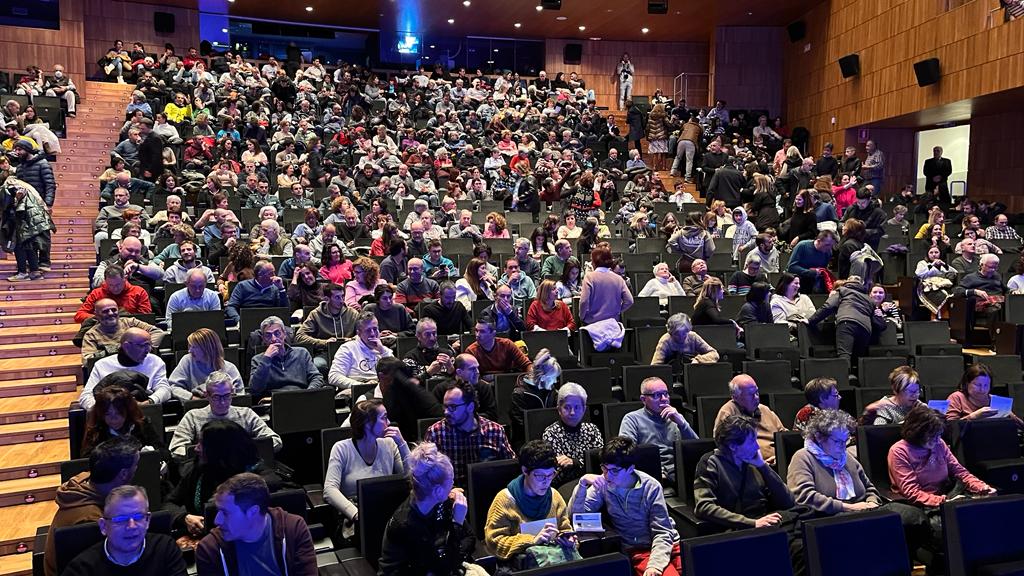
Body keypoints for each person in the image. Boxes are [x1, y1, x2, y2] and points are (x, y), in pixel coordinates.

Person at [694, 415, 803, 570]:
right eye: (752, 441)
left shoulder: (753, 463)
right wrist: (752, 523)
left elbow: (788, 502)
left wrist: (763, 466)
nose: (757, 447)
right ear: (733, 446)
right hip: (739, 530)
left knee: (805, 546)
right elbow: (704, 507)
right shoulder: (710, 463)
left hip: (768, 526)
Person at [569, 436, 683, 576]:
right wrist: (582, 484)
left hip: (668, 543)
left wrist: (655, 565)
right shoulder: (602, 484)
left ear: (630, 469)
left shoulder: (651, 487)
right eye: (604, 468)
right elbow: (577, 517)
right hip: (639, 549)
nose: (607, 475)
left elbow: (663, 532)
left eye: (614, 470)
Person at [378, 443, 483, 576]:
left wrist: (451, 554)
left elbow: (469, 538)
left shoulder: (442, 502)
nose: (453, 485)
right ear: (438, 491)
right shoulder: (406, 525)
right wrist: (457, 523)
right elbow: (442, 568)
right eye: (450, 481)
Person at [43, 436, 141, 576]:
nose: (137, 469)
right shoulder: (91, 520)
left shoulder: (84, 483)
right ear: (124, 474)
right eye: (136, 465)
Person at [196, 472, 317, 576]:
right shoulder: (209, 549)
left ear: (253, 512)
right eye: (218, 511)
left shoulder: (293, 529)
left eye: (225, 513)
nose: (217, 520)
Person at [324, 399, 410, 540]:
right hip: (355, 515)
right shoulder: (341, 448)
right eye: (384, 418)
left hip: (387, 511)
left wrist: (402, 444)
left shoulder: (389, 444)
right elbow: (329, 490)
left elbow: (410, 478)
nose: (388, 423)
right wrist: (357, 514)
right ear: (368, 423)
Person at [484, 440, 577, 563]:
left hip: (555, 561)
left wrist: (569, 540)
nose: (546, 481)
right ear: (525, 471)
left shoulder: (555, 496)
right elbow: (494, 542)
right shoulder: (505, 500)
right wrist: (532, 541)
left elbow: (565, 529)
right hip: (522, 565)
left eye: (551, 475)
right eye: (540, 476)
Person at [62, 485, 187, 576]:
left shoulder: (165, 549)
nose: (131, 526)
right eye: (121, 519)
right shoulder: (80, 570)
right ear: (103, 526)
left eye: (138, 517)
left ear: (148, 520)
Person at [888, 404, 995, 507]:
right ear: (917, 432)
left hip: (946, 496)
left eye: (939, 435)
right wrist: (944, 502)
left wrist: (982, 487)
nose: (937, 440)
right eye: (931, 435)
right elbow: (912, 492)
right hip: (920, 504)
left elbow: (960, 472)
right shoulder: (899, 451)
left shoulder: (939, 443)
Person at [787, 409, 885, 516]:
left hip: (862, 512)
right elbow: (804, 496)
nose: (843, 446)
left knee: (901, 512)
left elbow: (869, 488)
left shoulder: (847, 457)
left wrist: (872, 502)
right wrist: (848, 508)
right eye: (838, 441)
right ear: (819, 437)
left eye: (845, 440)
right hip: (829, 519)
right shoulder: (803, 457)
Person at [169, 371, 282, 457]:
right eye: (217, 397)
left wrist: (245, 449)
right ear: (207, 395)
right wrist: (208, 453)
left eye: (227, 396)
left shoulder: (246, 414)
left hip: (241, 468)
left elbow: (275, 440)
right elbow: (176, 449)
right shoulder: (193, 417)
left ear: (232, 393)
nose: (223, 402)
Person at [423, 380, 515, 486]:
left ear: (470, 407)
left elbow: (511, 467)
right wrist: (449, 491)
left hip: (488, 490)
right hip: (449, 493)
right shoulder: (436, 433)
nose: (446, 412)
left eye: (452, 407)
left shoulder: (494, 431)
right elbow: (426, 475)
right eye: (445, 406)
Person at [619, 377, 698, 483]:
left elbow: (696, 448)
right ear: (643, 399)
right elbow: (626, 452)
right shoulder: (632, 419)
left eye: (666, 393)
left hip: (680, 474)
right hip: (650, 475)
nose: (664, 398)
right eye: (657, 395)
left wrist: (682, 424)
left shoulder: (675, 418)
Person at [80, 328, 171, 411]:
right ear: (127, 346)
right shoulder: (102, 365)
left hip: (143, 411)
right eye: (143, 345)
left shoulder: (155, 361)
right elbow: (86, 396)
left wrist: (149, 402)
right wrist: (107, 409)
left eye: (149, 345)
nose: (148, 349)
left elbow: (164, 389)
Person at [713, 374, 788, 465]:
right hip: (751, 466)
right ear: (735, 396)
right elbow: (725, 448)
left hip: (778, 461)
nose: (756, 397)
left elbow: (784, 435)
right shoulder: (728, 413)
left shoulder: (765, 410)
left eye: (756, 392)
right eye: (750, 394)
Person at [81, 384, 165, 459]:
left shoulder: (141, 424)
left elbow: (164, 452)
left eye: (118, 413)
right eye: (108, 414)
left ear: (128, 411)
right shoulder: (96, 430)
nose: (113, 419)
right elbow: (85, 461)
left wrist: (153, 455)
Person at [249, 316, 324, 399]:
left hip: (302, 398)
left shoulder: (302, 353)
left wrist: (308, 393)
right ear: (263, 339)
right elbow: (254, 389)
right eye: (268, 335)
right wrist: (267, 359)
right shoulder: (258, 360)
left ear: (284, 334)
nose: (273, 339)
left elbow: (317, 377)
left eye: (277, 333)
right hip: (275, 402)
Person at [294, 283, 358, 373]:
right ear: (327, 299)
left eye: (343, 296)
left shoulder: (352, 313)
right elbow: (299, 337)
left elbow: (363, 334)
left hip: (350, 351)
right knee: (317, 365)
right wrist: (323, 342)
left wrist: (352, 339)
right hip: (325, 352)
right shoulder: (316, 314)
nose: (342, 301)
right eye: (337, 297)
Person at [168, 328, 243, 400]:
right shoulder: (187, 361)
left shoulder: (230, 368)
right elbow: (173, 387)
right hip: (195, 408)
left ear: (207, 348)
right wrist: (192, 398)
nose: (190, 350)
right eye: (190, 346)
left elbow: (240, 396)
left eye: (194, 347)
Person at [80, 299, 165, 362]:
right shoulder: (91, 335)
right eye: (105, 311)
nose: (110, 313)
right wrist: (118, 351)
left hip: (139, 362)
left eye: (113, 310)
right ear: (97, 315)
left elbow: (157, 332)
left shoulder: (130, 322)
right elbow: (87, 360)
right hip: (110, 370)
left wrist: (143, 348)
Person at [328, 311, 394, 390]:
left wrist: (383, 351)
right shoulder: (348, 348)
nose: (373, 334)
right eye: (368, 330)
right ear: (359, 333)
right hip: (356, 387)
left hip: (381, 389)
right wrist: (361, 386)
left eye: (375, 329)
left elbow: (397, 373)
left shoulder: (384, 351)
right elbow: (334, 376)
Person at [945, 363, 1024, 424]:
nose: (982, 389)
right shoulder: (957, 397)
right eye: (977, 385)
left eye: (986, 385)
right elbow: (950, 428)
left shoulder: (995, 400)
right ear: (967, 383)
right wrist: (973, 416)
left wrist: (1011, 417)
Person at [75, 265, 152, 322]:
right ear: (105, 281)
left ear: (125, 278)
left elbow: (145, 318)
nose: (115, 288)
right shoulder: (96, 293)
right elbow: (79, 315)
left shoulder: (139, 292)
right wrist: (100, 318)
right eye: (110, 285)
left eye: (118, 284)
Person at [223, 260, 289, 324]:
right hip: (248, 322)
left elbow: (284, 310)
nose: (274, 276)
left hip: (270, 324)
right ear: (260, 275)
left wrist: (281, 289)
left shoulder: (276, 288)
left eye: (274, 272)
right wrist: (239, 321)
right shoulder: (242, 286)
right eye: (270, 273)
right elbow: (231, 307)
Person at [464, 320, 533, 379]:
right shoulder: (471, 351)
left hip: (505, 383)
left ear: (493, 333)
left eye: (482, 331)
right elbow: (470, 377)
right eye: (476, 331)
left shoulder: (507, 345)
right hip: (483, 386)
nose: (477, 335)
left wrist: (531, 377)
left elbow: (527, 364)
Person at [650, 312, 720, 365]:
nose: (681, 337)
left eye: (684, 333)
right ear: (670, 333)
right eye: (677, 334)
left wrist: (698, 360)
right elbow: (656, 365)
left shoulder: (693, 336)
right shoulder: (665, 340)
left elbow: (714, 354)